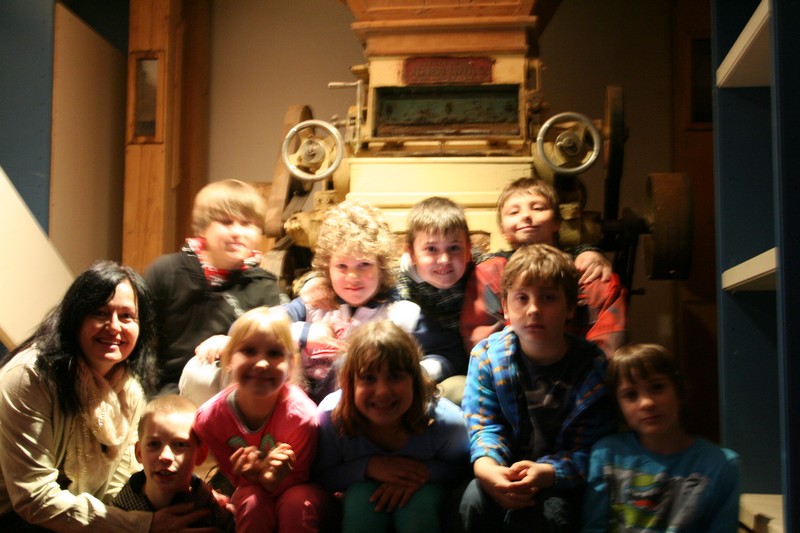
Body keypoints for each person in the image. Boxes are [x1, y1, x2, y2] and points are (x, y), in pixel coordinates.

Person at [0, 261, 209, 532]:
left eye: (127, 316)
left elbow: (123, 484)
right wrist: (143, 525)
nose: (114, 326)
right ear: (75, 318)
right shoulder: (30, 377)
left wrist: (199, 499)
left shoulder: (129, 389)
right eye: (100, 313)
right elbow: (33, 498)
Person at [458, 244, 616, 533]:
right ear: (506, 307)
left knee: (550, 513)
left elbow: (591, 449)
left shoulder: (591, 368)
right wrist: (488, 468)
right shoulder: (487, 358)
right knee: (473, 500)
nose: (533, 309)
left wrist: (548, 473)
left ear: (570, 308)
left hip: (556, 478)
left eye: (548, 298)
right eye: (522, 298)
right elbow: (484, 425)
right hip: (503, 468)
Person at [314, 320, 470, 533]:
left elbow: (465, 469)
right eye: (368, 378)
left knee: (417, 506)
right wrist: (370, 467)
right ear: (350, 384)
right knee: (361, 501)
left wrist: (423, 473)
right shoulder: (332, 417)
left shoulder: (447, 423)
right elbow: (321, 476)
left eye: (395, 377)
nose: (382, 392)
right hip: (361, 488)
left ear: (415, 381)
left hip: (426, 489)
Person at [192, 307, 329, 533]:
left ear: (291, 363)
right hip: (250, 492)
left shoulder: (302, 417)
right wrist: (253, 476)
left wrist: (270, 478)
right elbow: (233, 478)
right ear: (229, 359)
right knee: (251, 499)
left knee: (296, 502)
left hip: (299, 491)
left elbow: (302, 475)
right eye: (249, 351)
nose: (262, 363)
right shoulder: (210, 420)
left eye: (274, 353)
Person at [144, 179, 285, 396]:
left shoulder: (263, 286)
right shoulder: (167, 272)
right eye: (226, 222)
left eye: (247, 224)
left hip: (235, 394)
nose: (237, 232)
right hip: (166, 394)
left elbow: (280, 345)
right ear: (204, 227)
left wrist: (234, 343)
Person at [460, 177, 627, 358]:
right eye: (514, 212)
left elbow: (607, 350)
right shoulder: (489, 273)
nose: (526, 216)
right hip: (507, 371)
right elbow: (481, 340)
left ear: (557, 222)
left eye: (538, 208)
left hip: (581, 372)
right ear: (503, 230)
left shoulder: (589, 273)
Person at [581, 343, 740, 532]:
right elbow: (593, 528)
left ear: (679, 390)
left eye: (657, 387)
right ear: (619, 406)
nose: (646, 403)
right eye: (631, 395)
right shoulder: (607, 454)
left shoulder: (721, 465)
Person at [283, 199, 420, 402]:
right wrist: (303, 334)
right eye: (341, 266)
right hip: (305, 411)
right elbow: (257, 329)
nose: (353, 277)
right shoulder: (312, 304)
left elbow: (440, 356)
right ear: (327, 267)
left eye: (364, 264)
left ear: (381, 267)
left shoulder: (401, 315)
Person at [113, 395, 235, 531]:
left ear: (200, 455)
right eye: (154, 444)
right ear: (139, 453)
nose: (165, 456)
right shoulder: (119, 514)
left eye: (180, 444)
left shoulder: (213, 511)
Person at [395, 196, 474, 384]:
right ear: (412, 254)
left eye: (454, 248)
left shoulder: (481, 271)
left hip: (468, 362)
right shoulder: (399, 284)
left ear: (468, 251)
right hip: (425, 357)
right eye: (431, 249)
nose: (445, 259)